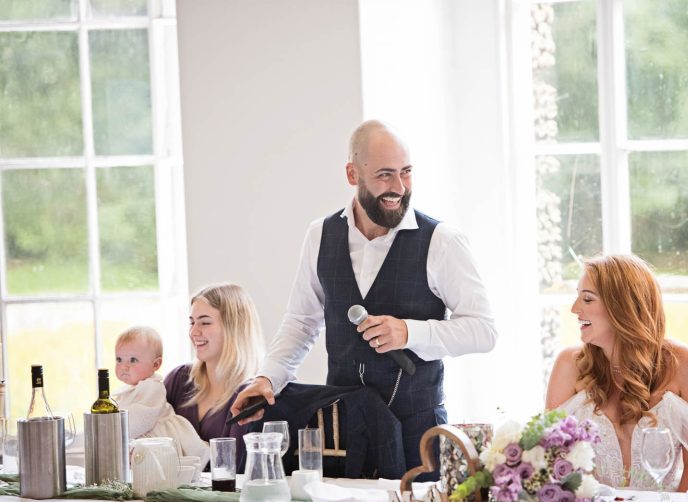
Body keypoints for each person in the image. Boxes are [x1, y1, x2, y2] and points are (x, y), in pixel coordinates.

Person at [231, 120, 497, 473]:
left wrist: (409, 333)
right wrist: (266, 379)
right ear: (352, 174)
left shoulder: (442, 241)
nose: (399, 187)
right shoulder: (320, 235)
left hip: (417, 435)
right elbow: (301, 322)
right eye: (385, 175)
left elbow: (483, 331)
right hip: (343, 432)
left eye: (407, 173)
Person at [545, 254, 688, 492]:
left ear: (622, 307)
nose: (574, 308)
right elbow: (551, 463)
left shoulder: (684, 364)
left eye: (587, 299)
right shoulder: (568, 365)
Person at [165, 283, 262, 470]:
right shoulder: (179, 380)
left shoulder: (250, 395)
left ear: (234, 327)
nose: (194, 332)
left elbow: (239, 471)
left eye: (205, 322)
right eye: (192, 322)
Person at [113, 326, 210, 464]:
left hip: (158, 441)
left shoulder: (153, 387)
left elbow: (141, 419)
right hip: (137, 438)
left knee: (154, 467)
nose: (124, 366)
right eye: (119, 359)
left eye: (133, 360)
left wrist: (114, 429)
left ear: (156, 364)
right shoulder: (125, 392)